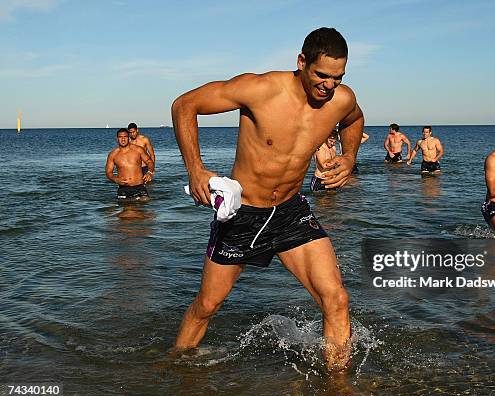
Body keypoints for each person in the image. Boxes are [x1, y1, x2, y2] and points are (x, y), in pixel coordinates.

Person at [171, 27, 364, 372]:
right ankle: (176, 368)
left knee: (336, 299)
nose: (329, 86)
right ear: (302, 61)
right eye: (322, 75)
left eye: (338, 78)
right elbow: (185, 104)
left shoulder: (342, 99)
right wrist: (195, 169)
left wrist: (349, 158)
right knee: (208, 305)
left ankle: (337, 389)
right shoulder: (259, 89)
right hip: (243, 215)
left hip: (291, 211)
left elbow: (354, 118)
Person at [105, 128, 155, 200]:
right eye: (120, 137)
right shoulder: (113, 154)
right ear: (117, 139)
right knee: (125, 209)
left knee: (145, 208)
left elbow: (149, 162)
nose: (123, 139)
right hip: (123, 188)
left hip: (139, 187)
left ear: (128, 138)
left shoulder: (138, 150)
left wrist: (150, 172)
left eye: (125, 137)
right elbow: (108, 172)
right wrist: (115, 179)